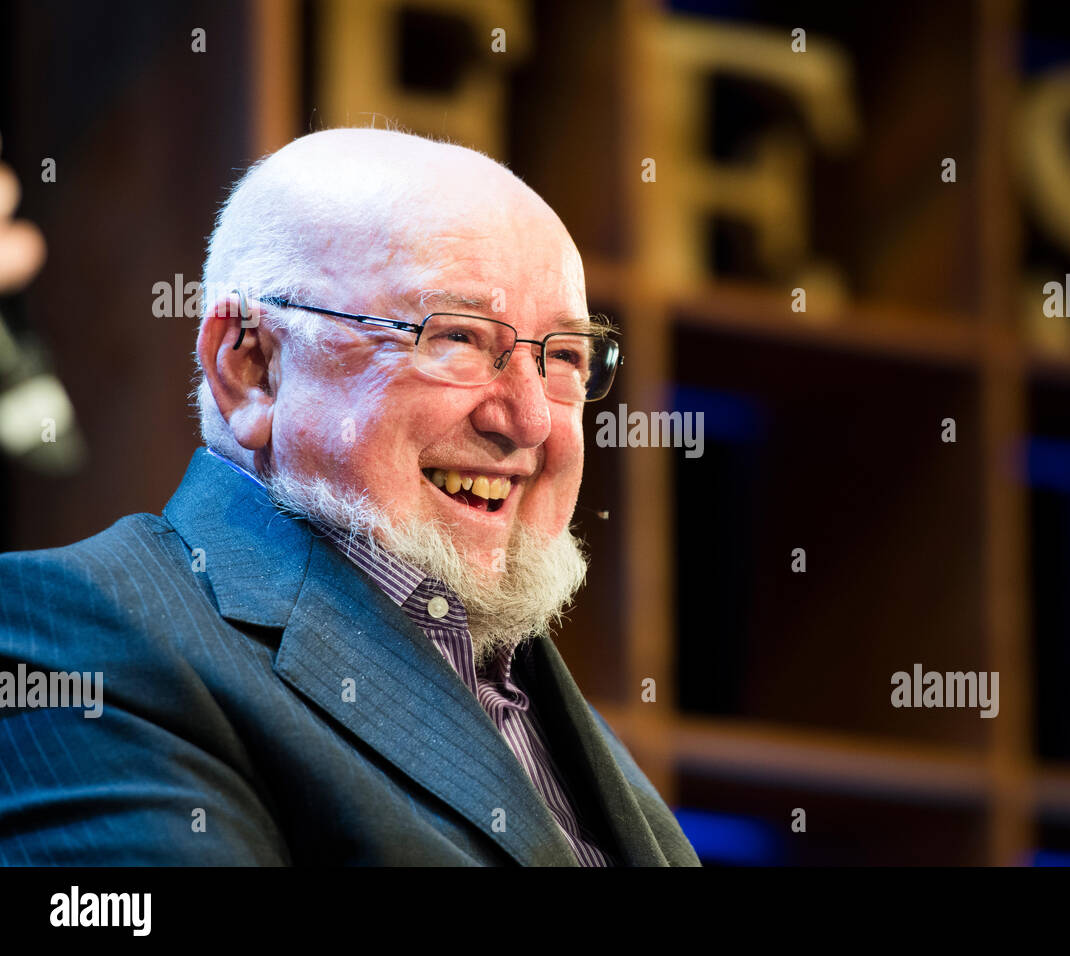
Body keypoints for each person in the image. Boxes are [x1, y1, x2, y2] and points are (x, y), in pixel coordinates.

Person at [0, 128, 700, 866]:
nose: (527, 420)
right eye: (454, 338)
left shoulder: (556, 718)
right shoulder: (71, 637)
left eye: (562, 357)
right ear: (252, 367)